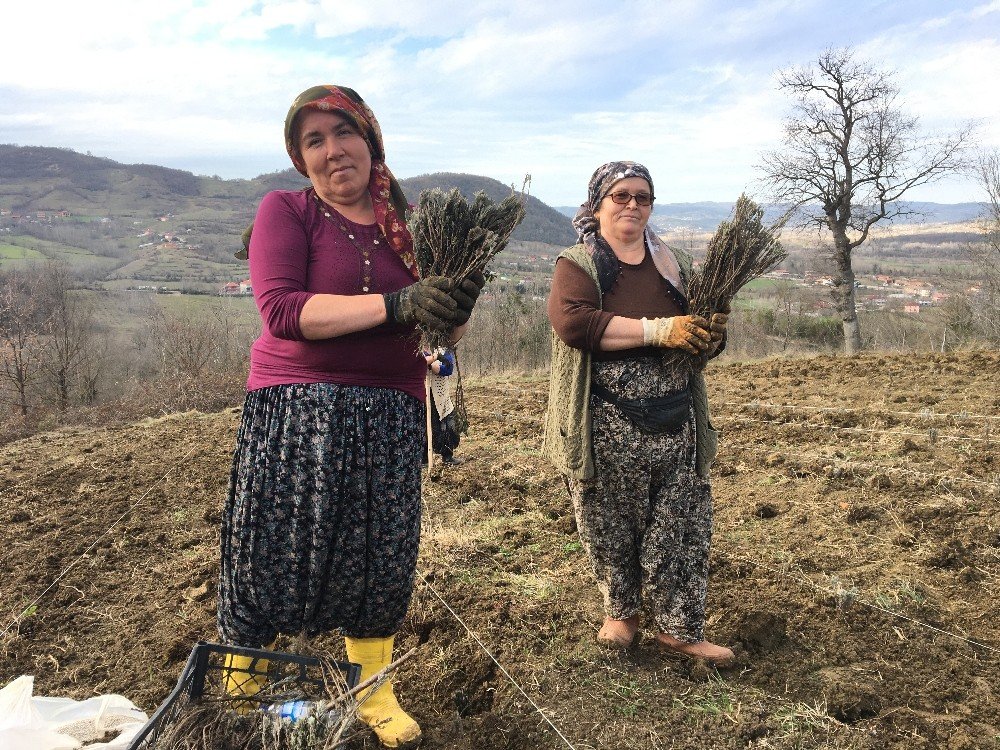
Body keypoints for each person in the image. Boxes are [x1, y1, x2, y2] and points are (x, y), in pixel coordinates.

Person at [217, 85, 484, 749]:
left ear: (370, 138)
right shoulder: (286, 211)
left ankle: (373, 691)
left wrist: (451, 310)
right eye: (314, 140)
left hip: (391, 409)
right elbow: (282, 311)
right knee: (270, 547)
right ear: (300, 157)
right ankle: (243, 679)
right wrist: (399, 305)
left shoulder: (414, 224)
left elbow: (440, 333)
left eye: (343, 132)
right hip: (295, 406)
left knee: (379, 556)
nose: (333, 150)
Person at [543, 161, 733, 665]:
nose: (632, 205)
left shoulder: (674, 265)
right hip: (606, 417)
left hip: (675, 417)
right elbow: (575, 325)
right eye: (620, 195)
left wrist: (708, 335)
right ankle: (621, 614)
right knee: (610, 521)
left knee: (683, 522)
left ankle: (679, 629)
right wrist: (658, 331)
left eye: (643, 197)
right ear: (598, 202)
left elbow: (701, 333)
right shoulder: (578, 263)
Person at [423, 347, 463, 465]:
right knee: (428, 425)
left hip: (441, 393)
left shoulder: (443, 349)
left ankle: (448, 456)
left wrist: (433, 362)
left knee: (449, 423)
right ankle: (425, 459)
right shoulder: (417, 347)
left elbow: (448, 368)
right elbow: (417, 364)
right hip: (424, 393)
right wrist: (433, 359)